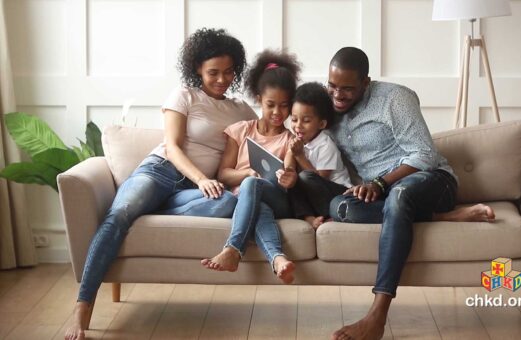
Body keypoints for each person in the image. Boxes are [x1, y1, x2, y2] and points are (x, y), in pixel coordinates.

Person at [65, 28, 257, 340]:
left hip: (192, 192)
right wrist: (201, 178)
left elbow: (261, 141)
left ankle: (157, 207)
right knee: (121, 214)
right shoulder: (184, 95)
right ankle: (83, 308)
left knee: (228, 203)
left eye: (228, 72)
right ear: (196, 68)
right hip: (161, 172)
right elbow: (173, 146)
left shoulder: (241, 109)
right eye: (213, 72)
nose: (222, 79)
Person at [326, 47, 496, 340]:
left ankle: (377, 314)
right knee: (339, 207)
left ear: (366, 83)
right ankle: (442, 218)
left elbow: (425, 154)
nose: (337, 95)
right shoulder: (327, 105)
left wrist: (381, 183)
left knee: (399, 196)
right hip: (382, 194)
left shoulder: (394, 98)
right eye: (332, 86)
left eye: (347, 89)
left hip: (429, 181)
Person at [201, 49, 300, 284]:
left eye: (284, 106)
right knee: (258, 205)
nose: (278, 112)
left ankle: (233, 249)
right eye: (270, 105)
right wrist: (247, 173)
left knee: (254, 186)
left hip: (279, 199)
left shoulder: (289, 139)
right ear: (258, 99)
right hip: (249, 199)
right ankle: (278, 259)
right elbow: (223, 174)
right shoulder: (241, 131)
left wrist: (290, 178)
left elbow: (291, 174)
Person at [287, 82, 352, 229]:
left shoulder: (326, 145)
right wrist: (289, 170)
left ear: (321, 124)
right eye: (294, 119)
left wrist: (300, 156)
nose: (298, 126)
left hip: (339, 193)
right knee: (294, 180)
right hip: (316, 197)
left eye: (306, 121)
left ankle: (330, 215)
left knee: (305, 177)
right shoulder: (298, 140)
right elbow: (289, 159)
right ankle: (309, 218)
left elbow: (319, 179)